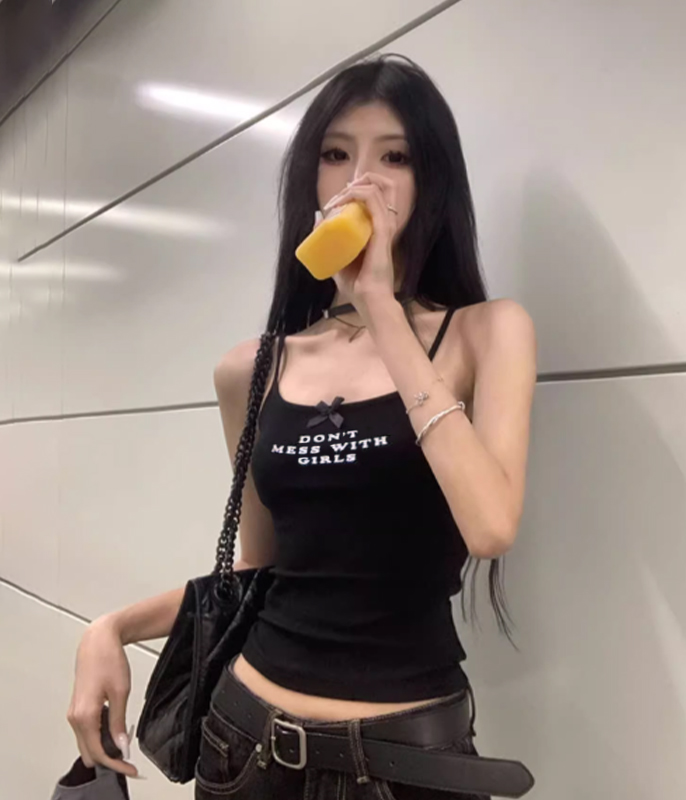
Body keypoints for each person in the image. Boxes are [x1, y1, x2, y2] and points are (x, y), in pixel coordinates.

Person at [67, 54, 537, 799]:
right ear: (310, 185)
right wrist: (112, 627)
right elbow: (263, 574)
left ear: (432, 181)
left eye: (396, 157)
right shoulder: (251, 369)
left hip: (407, 762)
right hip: (244, 747)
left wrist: (380, 305)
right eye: (336, 155)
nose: (363, 180)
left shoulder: (488, 333)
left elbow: (490, 525)